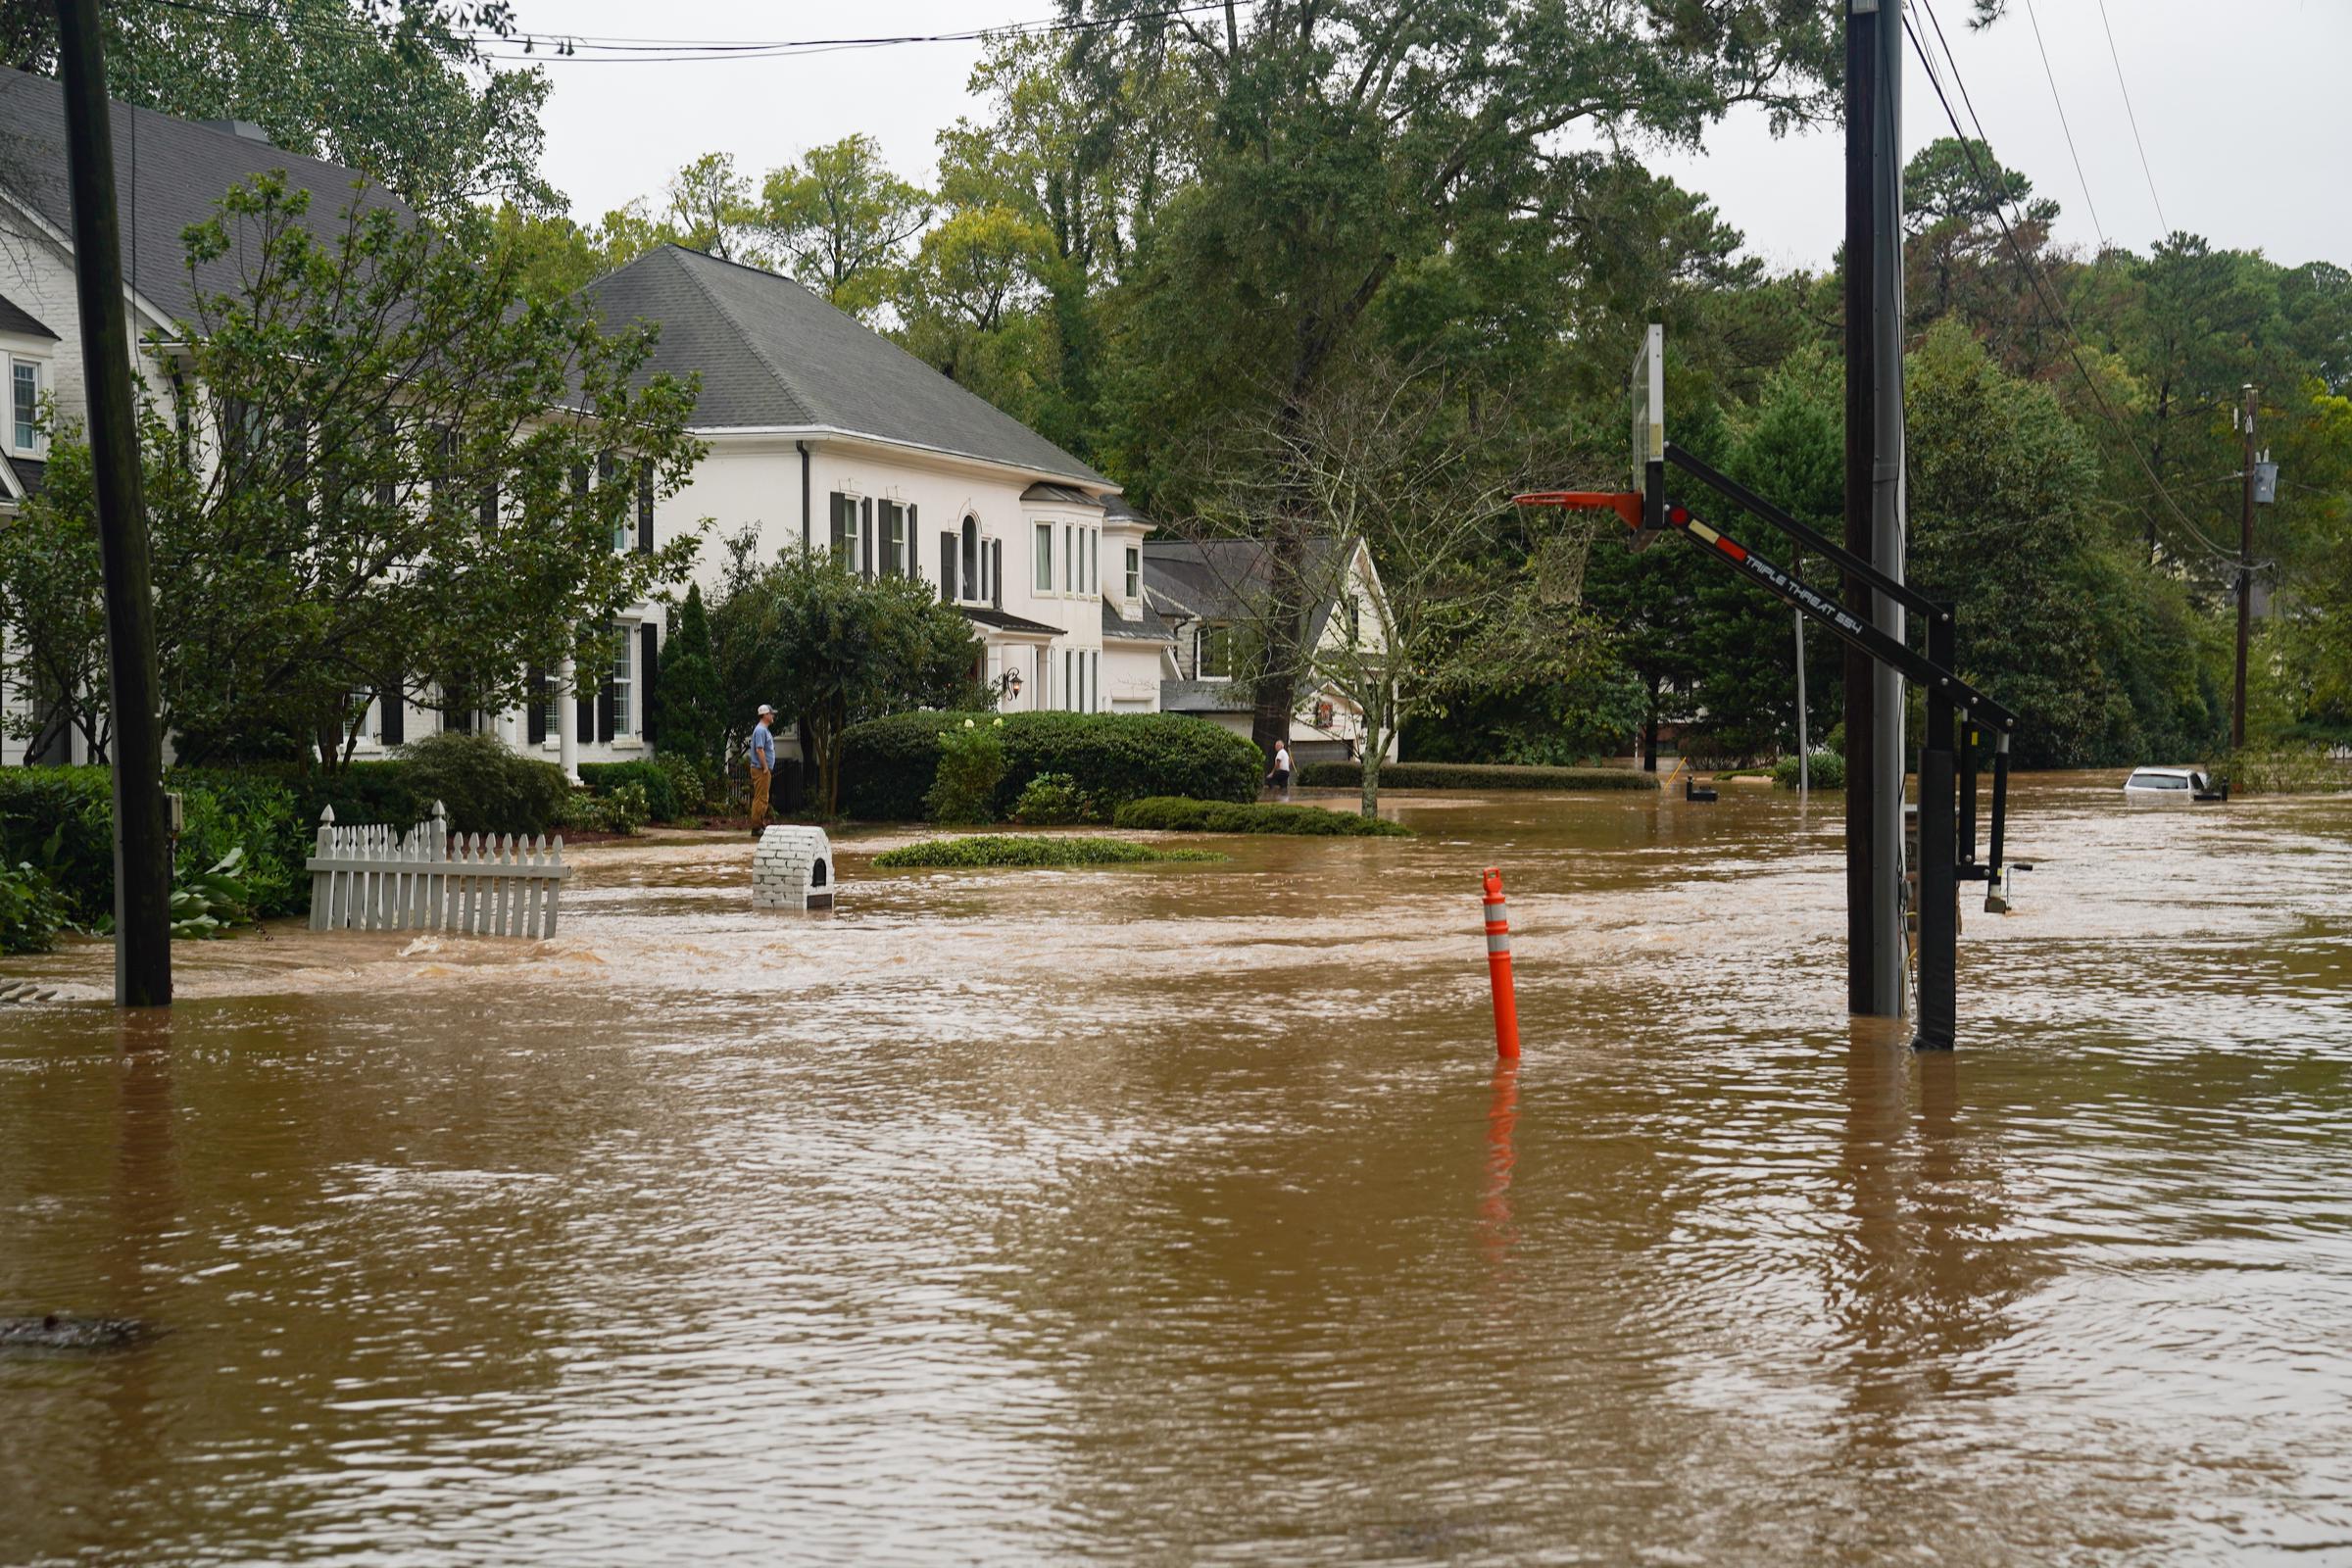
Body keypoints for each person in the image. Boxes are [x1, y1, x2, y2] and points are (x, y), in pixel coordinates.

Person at [748, 704, 777, 838]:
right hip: (761, 769)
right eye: (771, 714)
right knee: (760, 798)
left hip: (763, 769)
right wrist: (765, 767)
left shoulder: (764, 730)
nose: (773, 716)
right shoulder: (760, 730)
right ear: (765, 715)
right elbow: (759, 749)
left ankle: (759, 824)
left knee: (763, 797)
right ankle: (756, 827)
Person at [1269, 738, 1293, 803]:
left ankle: (1271, 796)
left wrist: (1272, 772)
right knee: (1283, 786)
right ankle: (1284, 799)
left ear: (1281, 746)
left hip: (1281, 771)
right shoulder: (1285, 753)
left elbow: (1277, 764)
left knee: (1269, 780)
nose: (1275, 747)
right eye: (1275, 746)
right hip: (1286, 772)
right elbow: (1289, 762)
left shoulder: (1280, 752)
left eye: (1277, 746)